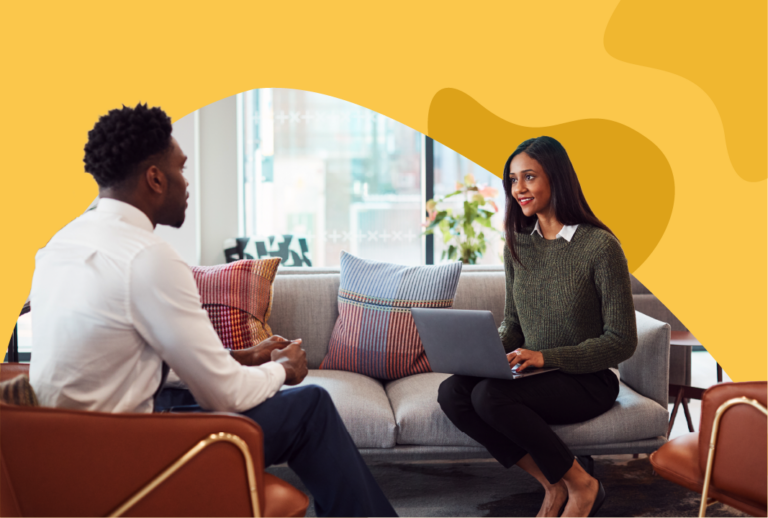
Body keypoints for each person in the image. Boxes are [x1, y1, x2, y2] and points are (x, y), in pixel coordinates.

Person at [29, 103, 397, 518]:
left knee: (175, 392)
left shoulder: (61, 244)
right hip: (127, 461)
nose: (187, 183)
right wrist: (283, 370)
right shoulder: (148, 258)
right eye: (181, 170)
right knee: (310, 405)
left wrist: (238, 358)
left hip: (61, 454)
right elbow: (224, 394)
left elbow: (115, 362)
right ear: (154, 178)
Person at [437, 136, 637, 518]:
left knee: (490, 397)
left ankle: (583, 485)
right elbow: (513, 321)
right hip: (533, 375)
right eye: (513, 180)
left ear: (557, 178)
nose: (519, 189)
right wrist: (487, 353)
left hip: (588, 380)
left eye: (529, 177)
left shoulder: (600, 247)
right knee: (453, 393)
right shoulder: (517, 243)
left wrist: (546, 356)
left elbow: (622, 341)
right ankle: (552, 482)